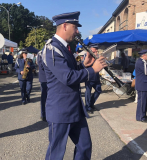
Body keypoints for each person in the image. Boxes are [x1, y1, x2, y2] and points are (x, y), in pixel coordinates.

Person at [42, 11, 107, 159]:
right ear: (64, 26)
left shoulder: (66, 47)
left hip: (74, 108)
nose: (77, 31)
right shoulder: (52, 48)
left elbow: (71, 70)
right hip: (60, 110)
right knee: (56, 153)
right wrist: (93, 70)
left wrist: (85, 64)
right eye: (75, 27)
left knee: (84, 146)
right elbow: (67, 77)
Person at [84, 44, 102, 114]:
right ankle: (88, 107)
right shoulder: (87, 55)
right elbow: (85, 64)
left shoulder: (97, 56)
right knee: (88, 92)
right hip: (89, 77)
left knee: (98, 90)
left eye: (97, 50)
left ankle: (91, 104)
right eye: (95, 49)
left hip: (96, 77)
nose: (96, 51)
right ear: (91, 49)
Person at [37, 50, 47, 121]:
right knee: (44, 97)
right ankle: (43, 114)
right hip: (44, 79)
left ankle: (49, 113)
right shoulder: (40, 54)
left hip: (50, 79)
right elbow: (41, 65)